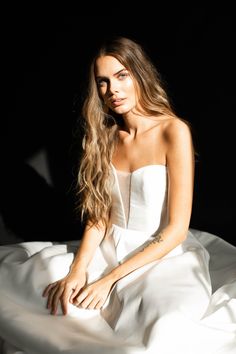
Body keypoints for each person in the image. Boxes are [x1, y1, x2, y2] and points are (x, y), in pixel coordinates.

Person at [0, 36, 235, 354]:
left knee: (164, 332)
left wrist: (108, 280)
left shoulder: (173, 131)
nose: (112, 90)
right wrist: (78, 270)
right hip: (105, 249)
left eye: (122, 76)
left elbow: (177, 229)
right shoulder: (105, 138)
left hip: (163, 255)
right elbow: (99, 217)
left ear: (140, 75)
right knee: (34, 290)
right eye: (103, 82)